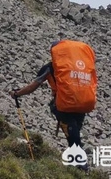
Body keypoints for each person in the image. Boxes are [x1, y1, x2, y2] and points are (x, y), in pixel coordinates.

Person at [9, 40, 95, 173]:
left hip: (64, 105)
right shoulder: (78, 68)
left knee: (70, 130)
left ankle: (80, 165)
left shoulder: (51, 67)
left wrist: (17, 93)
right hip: (83, 103)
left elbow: (34, 86)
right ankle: (78, 163)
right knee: (74, 131)